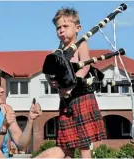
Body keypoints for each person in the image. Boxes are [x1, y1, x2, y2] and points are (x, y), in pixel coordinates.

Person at [0, 69, 65, 158]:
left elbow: (21, 144)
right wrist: (3, 127)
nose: (2, 90)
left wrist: (30, 120)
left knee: (57, 152)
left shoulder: (5, 109)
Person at [46, 7, 107, 158]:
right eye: (58, 27)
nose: (61, 30)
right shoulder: (57, 53)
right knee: (68, 145)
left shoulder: (81, 44)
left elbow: (85, 66)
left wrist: (72, 86)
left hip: (82, 97)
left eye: (65, 26)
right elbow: (49, 73)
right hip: (67, 102)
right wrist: (52, 82)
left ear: (78, 28)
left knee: (84, 145)